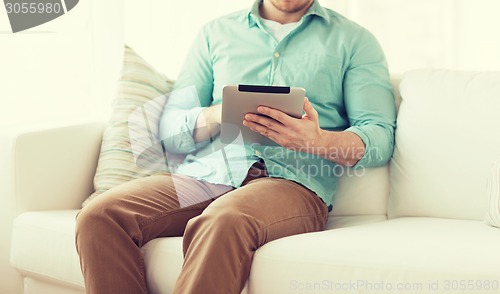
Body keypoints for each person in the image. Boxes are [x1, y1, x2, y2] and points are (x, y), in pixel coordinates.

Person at [75, 0, 396, 293]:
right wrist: (214, 114)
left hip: (291, 183)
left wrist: (318, 140)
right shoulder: (216, 34)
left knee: (222, 219)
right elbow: (169, 129)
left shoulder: (354, 41)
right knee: (100, 215)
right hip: (206, 174)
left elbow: (379, 135)